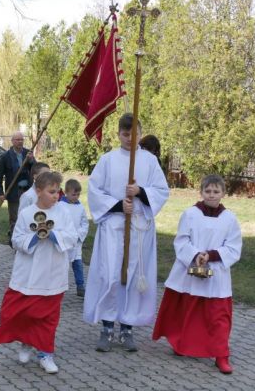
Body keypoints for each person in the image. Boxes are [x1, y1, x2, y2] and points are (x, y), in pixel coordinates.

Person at [83, 113, 169, 353]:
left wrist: (140, 191)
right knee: (112, 274)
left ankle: (127, 328)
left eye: (135, 134)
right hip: (114, 226)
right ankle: (107, 327)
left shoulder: (149, 161)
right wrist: (119, 205)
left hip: (139, 228)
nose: (130, 139)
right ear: (118, 134)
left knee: (133, 276)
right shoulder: (108, 160)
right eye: (125, 134)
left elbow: (161, 190)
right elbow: (95, 191)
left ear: (141, 134)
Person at [153, 175, 241, 375]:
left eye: (216, 192)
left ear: (223, 194)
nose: (211, 195)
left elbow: (234, 247)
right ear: (201, 192)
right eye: (208, 191)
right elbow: (182, 241)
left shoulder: (230, 218)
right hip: (189, 269)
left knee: (219, 316)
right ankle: (181, 344)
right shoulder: (190, 214)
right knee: (186, 309)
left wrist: (210, 255)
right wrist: (196, 255)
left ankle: (221, 355)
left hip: (217, 273)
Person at [0, 171, 78, 374]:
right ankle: (26, 341)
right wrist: (34, 238)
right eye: (51, 192)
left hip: (52, 272)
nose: (56, 196)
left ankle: (46, 353)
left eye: (58, 192)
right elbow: (16, 239)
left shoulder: (63, 212)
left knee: (48, 317)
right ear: (38, 191)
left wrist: (52, 235)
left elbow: (72, 236)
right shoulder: (26, 213)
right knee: (21, 311)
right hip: (29, 272)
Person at [0, 131, 36, 243]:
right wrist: (0, 194)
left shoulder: (28, 153)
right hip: (13, 191)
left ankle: (26, 239)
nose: (20, 142)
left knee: (28, 215)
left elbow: (36, 169)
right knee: (14, 217)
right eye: (17, 140)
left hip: (27, 191)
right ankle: (14, 241)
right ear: (12, 141)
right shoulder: (5, 157)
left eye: (21, 139)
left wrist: (31, 160)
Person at [59, 179, 89, 297]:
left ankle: (80, 286)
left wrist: (79, 235)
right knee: (62, 265)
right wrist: (65, 235)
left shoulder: (80, 207)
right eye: (73, 194)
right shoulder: (60, 206)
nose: (76, 197)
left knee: (78, 264)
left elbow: (84, 223)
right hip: (64, 241)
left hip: (76, 242)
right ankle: (59, 286)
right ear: (66, 192)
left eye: (78, 194)